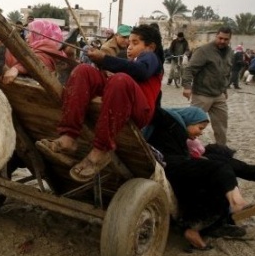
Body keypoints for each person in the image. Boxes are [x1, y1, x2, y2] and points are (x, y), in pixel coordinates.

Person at [35, 24, 163, 183]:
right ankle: (68, 136)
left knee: (120, 80)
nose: (129, 47)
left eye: (135, 43)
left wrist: (105, 59)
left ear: (150, 47)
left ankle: (102, 149)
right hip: (121, 98)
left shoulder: (151, 57)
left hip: (140, 110)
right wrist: (102, 65)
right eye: (129, 42)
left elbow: (140, 72)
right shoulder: (129, 59)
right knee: (83, 71)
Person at [146, 106, 255, 250]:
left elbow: (232, 164)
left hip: (179, 169)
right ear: (189, 120)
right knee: (219, 168)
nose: (201, 132)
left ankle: (194, 229)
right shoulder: (171, 122)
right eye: (200, 127)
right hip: (171, 166)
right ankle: (237, 204)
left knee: (219, 169)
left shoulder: (184, 140)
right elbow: (154, 105)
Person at [181, 26, 233, 146]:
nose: (222, 41)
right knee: (192, 124)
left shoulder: (230, 52)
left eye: (226, 39)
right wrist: (187, 87)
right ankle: (185, 148)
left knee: (221, 127)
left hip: (219, 95)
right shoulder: (204, 51)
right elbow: (189, 69)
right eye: (220, 38)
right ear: (216, 36)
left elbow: (226, 72)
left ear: (230, 39)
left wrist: (224, 89)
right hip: (202, 95)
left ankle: (221, 150)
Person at [0, 19, 67, 85]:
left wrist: (16, 68)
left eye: (29, 32)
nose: (26, 36)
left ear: (39, 33)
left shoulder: (47, 47)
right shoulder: (39, 47)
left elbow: (39, 61)